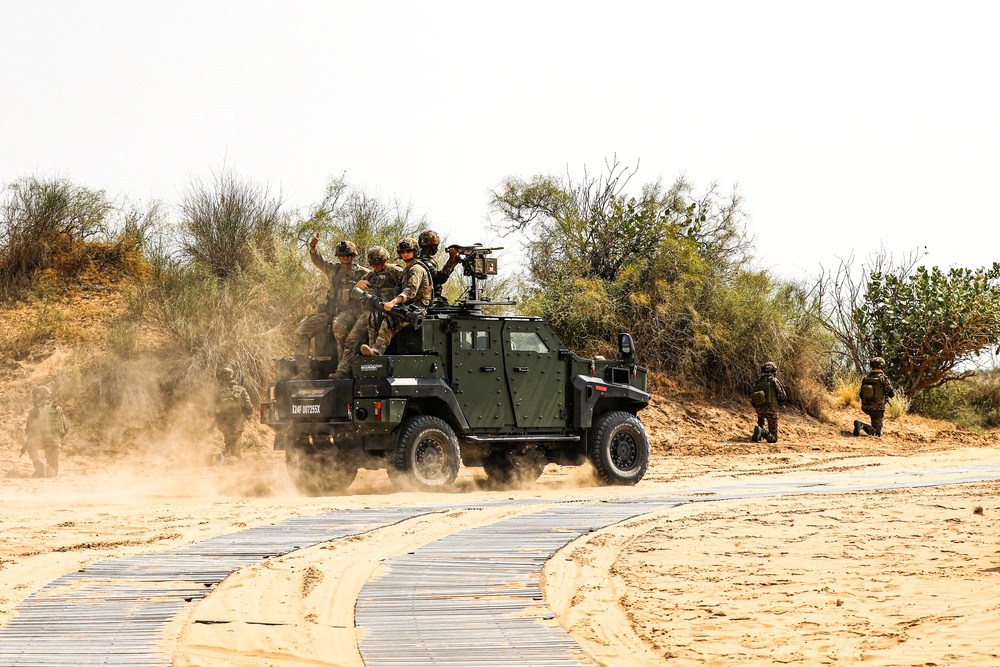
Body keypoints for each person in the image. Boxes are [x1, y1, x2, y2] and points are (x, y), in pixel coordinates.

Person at [293, 237, 371, 379]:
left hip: (351, 313)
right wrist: (313, 248)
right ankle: (304, 372)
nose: (345, 258)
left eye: (348, 255)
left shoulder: (363, 273)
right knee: (302, 331)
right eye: (342, 255)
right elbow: (319, 261)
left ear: (353, 256)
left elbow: (376, 287)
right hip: (330, 312)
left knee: (339, 326)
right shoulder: (333, 270)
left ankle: (343, 370)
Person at [328, 245, 404, 378]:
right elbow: (355, 292)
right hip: (369, 312)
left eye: (379, 263)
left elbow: (409, 286)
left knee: (373, 339)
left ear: (385, 260)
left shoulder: (395, 271)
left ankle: (372, 371)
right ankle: (343, 370)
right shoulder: (370, 275)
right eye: (373, 264)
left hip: (388, 313)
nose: (376, 267)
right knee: (352, 338)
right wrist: (358, 285)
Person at [360, 237, 431, 356]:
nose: (405, 254)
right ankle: (371, 350)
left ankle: (377, 351)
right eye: (402, 252)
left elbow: (411, 291)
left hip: (417, 308)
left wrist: (393, 302)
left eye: (408, 251)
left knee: (389, 320)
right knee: (375, 317)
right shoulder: (406, 270)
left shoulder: (416, 269)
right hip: (407, 306)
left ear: (415, 251)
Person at [209, 367, 254, 462]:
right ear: (232, 376)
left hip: (223, 420)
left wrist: (212, 414)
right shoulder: (241, 390)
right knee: (236, 440)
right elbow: (249, 406)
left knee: (228, 438)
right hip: (237, 420)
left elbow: (211, 408)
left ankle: (229, 455)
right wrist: (247, 414)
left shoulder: (218, 391)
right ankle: (233, 457)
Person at [23, 386, 68, 478]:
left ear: (38, 396)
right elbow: (64, 428)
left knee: (30, 446)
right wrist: (56, 439)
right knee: (54, 469)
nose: (32, 399)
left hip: (39, 441)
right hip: (54, 442)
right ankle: (49, 469)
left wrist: (30, 442)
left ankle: (39, 465)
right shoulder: (58, 409)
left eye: (33, 397)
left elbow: (29, 430)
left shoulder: (34, 411)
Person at [417, 230, 460, 305]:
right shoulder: (422, 261)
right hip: (427, 300)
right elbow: (440, 278)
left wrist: (453, 263)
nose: (436, 248)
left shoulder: (429, 259)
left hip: (432, 298)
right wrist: (450, 260)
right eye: (435, 246)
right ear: (428, 246)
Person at [855, 356, 895, 437]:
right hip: (878, 408)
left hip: (866, 406)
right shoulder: (883, 378)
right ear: (881, 365)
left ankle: (861, 425)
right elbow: (891, 394)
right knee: (877, 433)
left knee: (874, 423)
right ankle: (861, 425)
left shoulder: (866, 378)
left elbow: (861, 394)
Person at [750, 361, 787, 443]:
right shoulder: (774, 381)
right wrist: (780, 403)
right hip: (772, 411)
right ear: (772, 372)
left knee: (760, 408)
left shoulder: (757, 383)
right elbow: (783, 396)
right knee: (773, 438)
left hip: (759, 411)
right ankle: (762, 431)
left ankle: (760, 431)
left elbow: (753, 400)